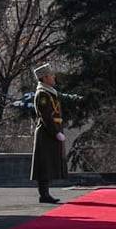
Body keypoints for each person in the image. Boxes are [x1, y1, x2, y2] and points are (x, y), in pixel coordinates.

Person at [30, 63, 67, 204]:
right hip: (46, 132)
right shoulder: (42, 94)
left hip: (51, 132)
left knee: (49, 163)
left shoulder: (49, 92)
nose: (53, 77)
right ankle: (44, 195)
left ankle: (45, 193)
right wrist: (56, 132)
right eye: (51, 75)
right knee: (44, 164)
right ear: (44, 78)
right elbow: (45, 116)